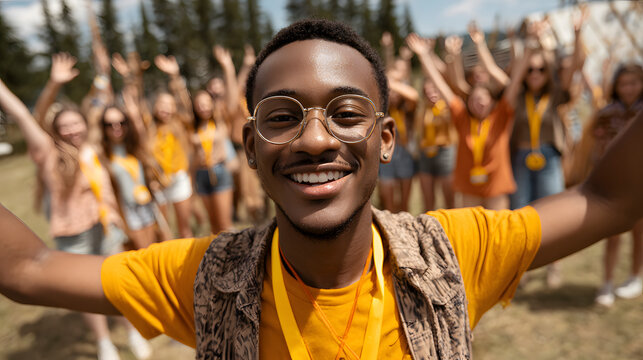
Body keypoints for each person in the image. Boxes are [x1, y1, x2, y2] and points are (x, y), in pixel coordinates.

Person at [1, 19, 643, 359]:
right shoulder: (203, 277)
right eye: (281, 116)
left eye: (346, 112)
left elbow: (609, 201)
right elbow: (29, 269)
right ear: (250, 147)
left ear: (386, 139)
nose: (314, 140)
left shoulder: (456, 252)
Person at [0, 52, 151, 360]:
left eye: (76, 123)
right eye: (64, 126)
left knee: (117, 283)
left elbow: (106, 104)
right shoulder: (48, 154)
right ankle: (104, 343)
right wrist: (12, 91)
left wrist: (112, 73)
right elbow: (30, 118)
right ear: (55, 131)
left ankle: (133, 331)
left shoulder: (93, 148)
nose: (72, 130)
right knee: (83, 293)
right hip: (73, 235)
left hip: (105, 227)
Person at [407, 32, 528, 210]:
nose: (479, 102)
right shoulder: (461, 117)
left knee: (499, 235)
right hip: (468, 189)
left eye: (483, 98)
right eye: (474, 99)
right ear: (468, 102)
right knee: (473, 236)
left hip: (497, 188)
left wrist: (529, 48)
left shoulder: (501, 115)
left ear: (492, 101)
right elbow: (441, 85)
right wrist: (424, 55)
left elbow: (516, 81)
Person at [575, 63, 643, 306]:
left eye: (633, 82)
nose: (628, 88)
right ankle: (607, 282)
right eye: (623, 83)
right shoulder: (607, 112)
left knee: (639, 232)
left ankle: (635, 276)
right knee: (612, 234)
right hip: (617, 182)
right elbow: (596, 142)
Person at [416, 79, 456, 210]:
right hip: (426, 153)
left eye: (434, 90)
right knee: (428, 202)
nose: (431, 94)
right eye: (427, 91)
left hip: (444, 152)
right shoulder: (422, 109)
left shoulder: (447, 107)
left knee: (449, 200)